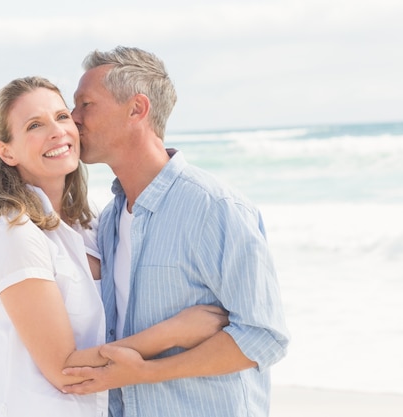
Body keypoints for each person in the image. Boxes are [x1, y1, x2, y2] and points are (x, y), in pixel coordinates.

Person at [55, 46, 291, 417]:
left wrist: (149, 372)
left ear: (137, 109)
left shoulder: (215, 208)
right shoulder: (110, 220)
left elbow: (264, 336)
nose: (73, 118)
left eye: (86, 104)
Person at [0, 76, 228, 417]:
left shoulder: (92, 221)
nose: (57, 131)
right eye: (35, 125)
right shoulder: (17, 233)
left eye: (62, 116)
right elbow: (64, 370)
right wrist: (174, 332)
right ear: (7, 151)